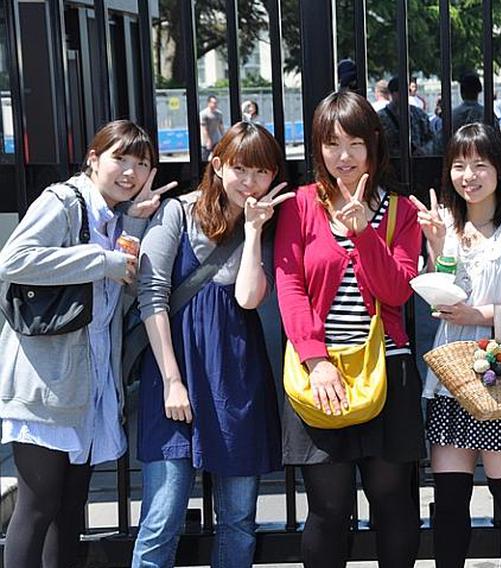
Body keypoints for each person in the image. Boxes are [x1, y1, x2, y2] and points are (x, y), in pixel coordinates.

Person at [0, 120, 173, 568]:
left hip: (87, 384)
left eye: (141, 163)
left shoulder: (113, 216)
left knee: (70, 511)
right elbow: (14, 260)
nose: (130, 172)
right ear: (94, 160)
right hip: (46, 383)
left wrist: (131, 229)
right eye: (120, 159)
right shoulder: (63, 201)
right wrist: (104, 259)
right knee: (37, 508)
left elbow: (115, 294)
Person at [274, 90, 423, 568]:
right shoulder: (299, 205)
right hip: (322, 376)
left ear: (373, 145)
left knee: (393, 503)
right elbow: (289, 284)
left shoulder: (401, 212)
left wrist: (364, 233)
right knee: (329, 507)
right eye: (332, 144)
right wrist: (315, 360)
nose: (344, 156)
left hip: (387, 371)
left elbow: (397, 292)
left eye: (354, 144)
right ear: (317, 147)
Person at [131, 121, 287, 567]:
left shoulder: (265, 223)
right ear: (218, 166)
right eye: (241, 168)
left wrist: (255, 231)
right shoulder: (177, 213)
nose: (250, 182)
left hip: (235, 375)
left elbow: (247, 297)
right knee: (163, 517)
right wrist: (171, 381)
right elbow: (152, 294)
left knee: (238, 518)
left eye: (261, 172)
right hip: (176, 373)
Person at [410, 123, 501, 568]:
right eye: (458, 165)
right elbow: (439, 293)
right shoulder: (446, 225)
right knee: (449, 498)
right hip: (451, 377)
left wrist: (480, 316)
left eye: (479, 165)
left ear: (498, 169)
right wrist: (435, 245)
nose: (468, 175)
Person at [378, 76, 434, 157]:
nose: (404, 95)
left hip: (418, 161)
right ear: (392, 93)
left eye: (406, 91)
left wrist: (424, 150)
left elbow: (431, 138)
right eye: (399, 91)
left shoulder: (419, 114)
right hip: (392, 163)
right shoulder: (381, 117)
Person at [200, 95, 225, 161]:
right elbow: (204, 128)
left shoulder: (219, 114)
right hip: (205, 141)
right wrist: (208, 140)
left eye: (216, 103)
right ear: (209, 103)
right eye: (213, 103)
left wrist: (224, 137)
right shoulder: (204, 114)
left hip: (216, 139)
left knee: (218, 157)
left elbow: (221, 126)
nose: (215, 105)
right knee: (204, 158)